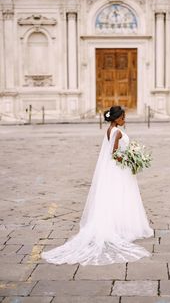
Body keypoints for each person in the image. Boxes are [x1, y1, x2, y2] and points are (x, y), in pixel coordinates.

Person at [41, 106, 153, 266]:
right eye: (122, 117)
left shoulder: (109, 130)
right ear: (115, 118)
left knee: (115, 197)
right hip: (119, 170)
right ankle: (122, 227)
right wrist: (130, 160)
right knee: (121, 196)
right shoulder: (118, 132)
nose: (124, 119)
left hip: (114, 170)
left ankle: (118, 223)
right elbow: (114, 154)